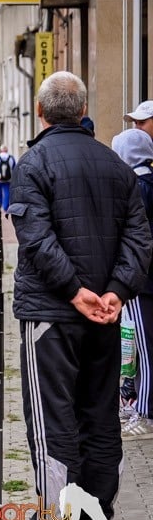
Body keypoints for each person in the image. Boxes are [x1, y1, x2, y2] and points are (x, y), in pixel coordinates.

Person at [6, 71, 152, 520]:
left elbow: (35, 239)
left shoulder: (32, 164)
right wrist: (115, 292)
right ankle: (96, 511)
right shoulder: (116, 165)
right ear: (84, 111)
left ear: (40, 111)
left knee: (53, 414)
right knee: (99, 409)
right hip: (105, 313)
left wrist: (75, 292)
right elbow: (140, 237)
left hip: (52, 312)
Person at [111, 129, 153, 439]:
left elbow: (132, 237)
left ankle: (145, 413)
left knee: (144, 350)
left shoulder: (135, 188)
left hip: (143, 281)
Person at [0, 145, 15, 215]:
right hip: (8, 178)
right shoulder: (11, 157)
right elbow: (14, 167)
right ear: (7, 150)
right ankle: (6, 207)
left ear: (0, 150)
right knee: (7, 192)